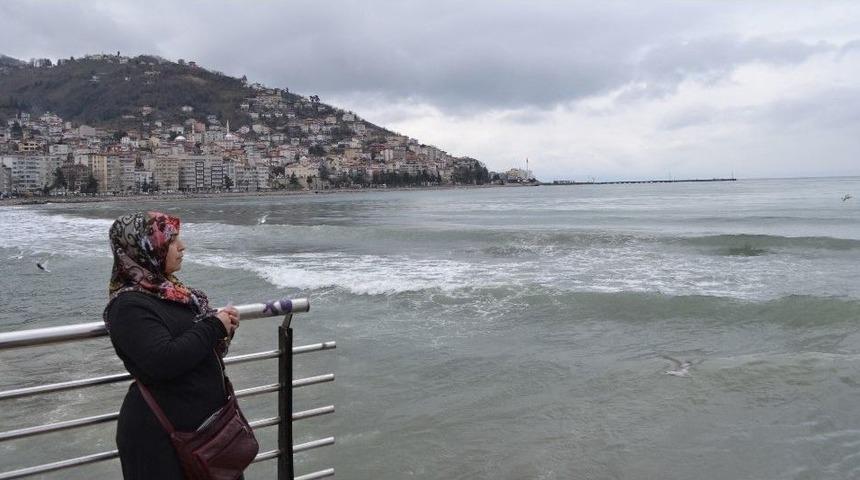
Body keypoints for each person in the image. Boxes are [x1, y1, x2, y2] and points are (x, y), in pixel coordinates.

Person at [103, 211, 241, 479]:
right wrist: (213, 326)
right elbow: (163, 360)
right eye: (171, 240)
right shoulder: (128, 306)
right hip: (160, 442)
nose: (182, 247)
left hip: (203, 432)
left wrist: (222, 327)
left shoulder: (172, 293)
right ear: (146, 248)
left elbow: (192, 345)